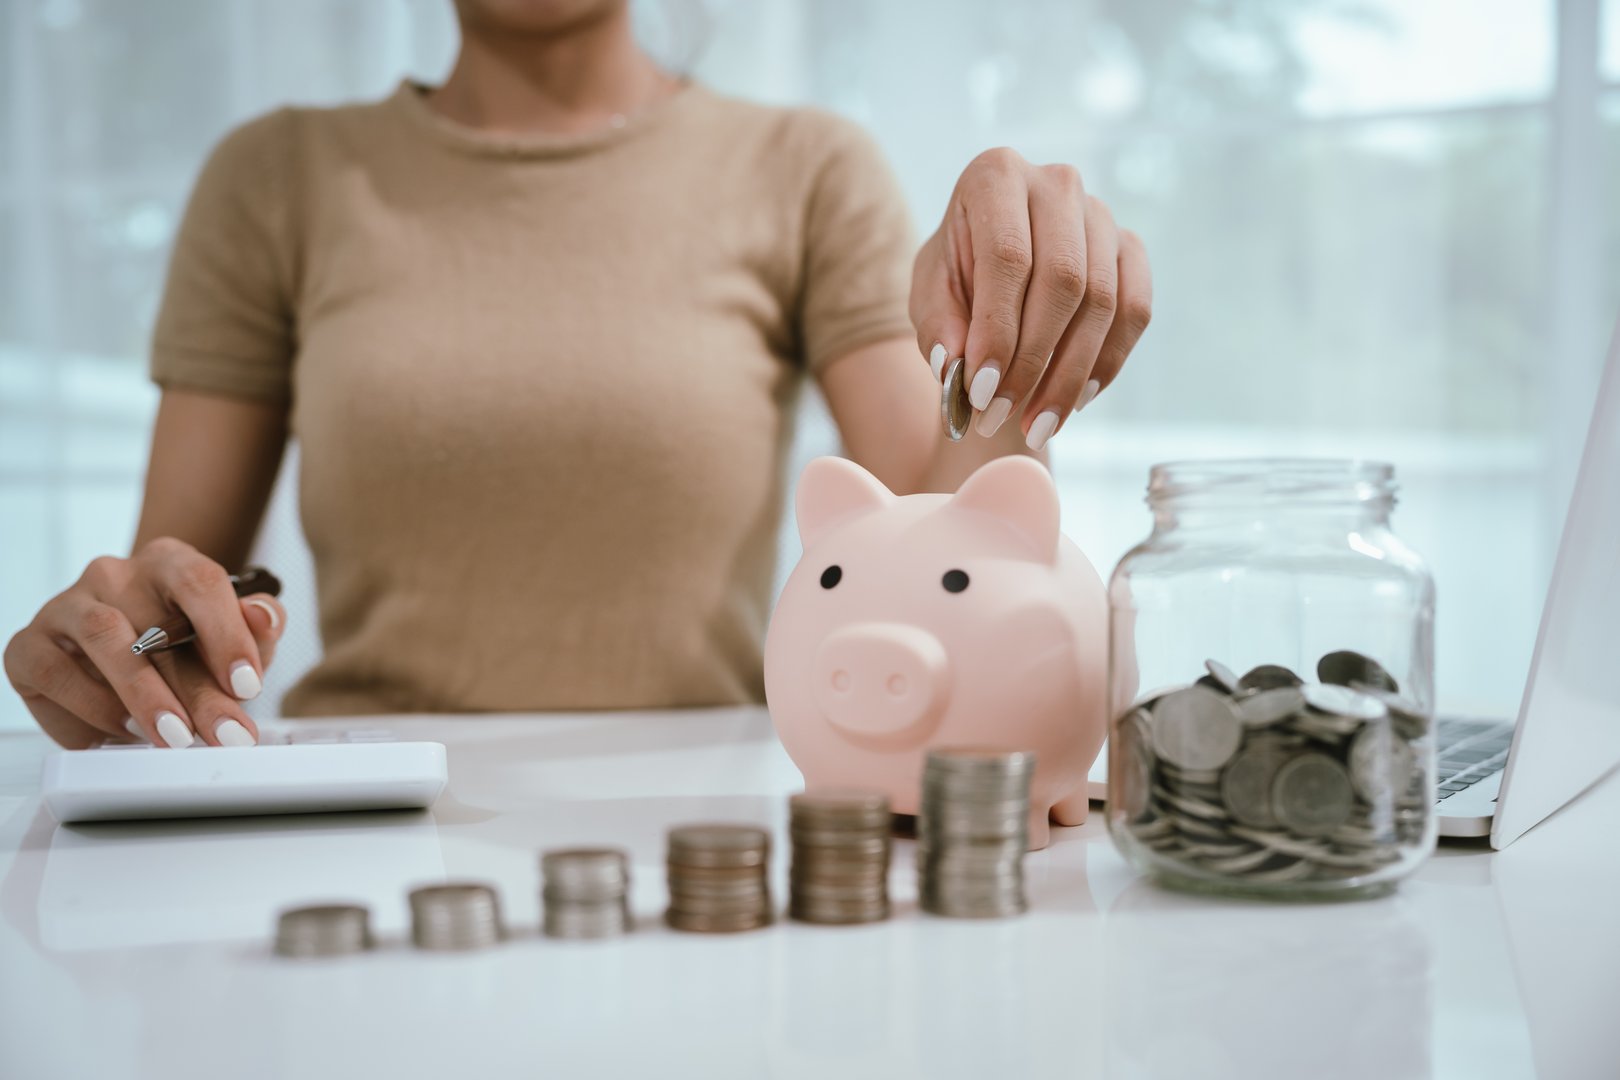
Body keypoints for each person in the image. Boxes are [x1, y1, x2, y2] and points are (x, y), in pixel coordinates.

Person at [5, 0, 1152, 750]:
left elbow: (934, 530)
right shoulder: (275, 176)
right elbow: (174, 595)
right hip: (369, 812)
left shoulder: (803, 168)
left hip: (694, 810)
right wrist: (128, 652)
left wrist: (1011, 323)